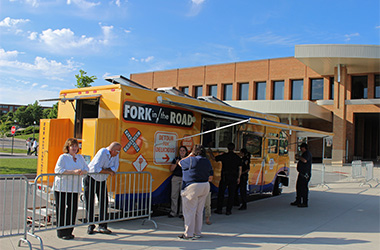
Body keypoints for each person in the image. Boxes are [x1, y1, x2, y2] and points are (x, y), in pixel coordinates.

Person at [54, 138, 89, 240]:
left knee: (72, 209)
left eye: (75, 146)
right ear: (68, 147)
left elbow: (87, 168)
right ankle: (61, 232)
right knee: (61, 209)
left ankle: (69, 231)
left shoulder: (80, 158)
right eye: (72, 146)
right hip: (62, 187)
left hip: (74, 188)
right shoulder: (63, 157)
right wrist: (73, 172)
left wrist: (83, 171)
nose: (74, 148)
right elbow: (58, 170)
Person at [84, 142, 121, 235]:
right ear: (112, 150)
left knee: (104, 202)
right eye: (117, 151)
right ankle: (90, 225)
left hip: (102, 179)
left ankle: (103, 226)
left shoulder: (115, 155)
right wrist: (108, 171)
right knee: (90, 202)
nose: (118, 153)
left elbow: (115, 168)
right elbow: (96, 169)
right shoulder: (102, 152)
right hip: (91, 178)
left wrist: (106, 171)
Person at [178, 144, 213, 240]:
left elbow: (180, 163)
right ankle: (197, 232)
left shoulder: (190, 160)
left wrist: (190, 155)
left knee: (189, 211)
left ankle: (188, 233)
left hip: (192, 187)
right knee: (199, 211)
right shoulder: (207, 161)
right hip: (205, 186)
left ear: (194, 152)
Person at [209, 142, 242, 215]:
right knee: (231, 194)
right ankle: (228, 210)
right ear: (234, 148)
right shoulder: (237, 157)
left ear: (227, 148)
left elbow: (214, 158)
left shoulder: (224, 156)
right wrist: (239, 178)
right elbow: (240, 168)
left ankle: (219, 209)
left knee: (221, 193)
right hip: (233, 177)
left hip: (225, 177)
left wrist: (210, 151)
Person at [291, 143, 312, 208]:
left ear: (304, 148)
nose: (300, 149)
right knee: (299, 187)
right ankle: (298, 200)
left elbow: (305, 160)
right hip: (301, 173)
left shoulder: (307, 154)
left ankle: (304, 202)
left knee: (303, 188)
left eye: (301, 148)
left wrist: (299, 157)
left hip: (305, 174)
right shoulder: (305, 153)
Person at [169, 146, 188, 218]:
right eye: (181, 150)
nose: (182, 152)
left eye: (183, 150)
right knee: (174, 195)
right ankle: (173, 212)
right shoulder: (175, 159)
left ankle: (181, 212)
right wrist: (176, 163)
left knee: (183, 196)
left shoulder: (187, 159)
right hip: (176, 178)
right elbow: (171, 169)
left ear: (186, 152)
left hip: (184, 178)